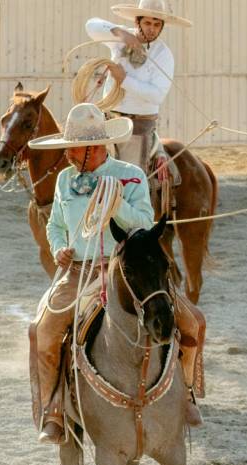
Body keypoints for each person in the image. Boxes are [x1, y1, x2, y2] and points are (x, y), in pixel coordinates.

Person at [26, 103, 204, 444]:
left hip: (126, 268)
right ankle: (54, 410)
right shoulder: (65, 179)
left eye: (76, 148)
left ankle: (186, 394)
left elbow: (144, 224)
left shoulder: (130, 175)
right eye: (69, 148)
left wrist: (114, 200)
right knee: (42, 332)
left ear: (97, 147)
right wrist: (59, 247)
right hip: (79, 270)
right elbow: (56, 224)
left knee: (192, 322)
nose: (70, 155)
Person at [86, 0, 192, 182]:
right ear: (137, 22)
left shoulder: (164, 55)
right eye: (148, 23)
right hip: (107, 118)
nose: (152, 29)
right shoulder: (120, 39)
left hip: (137, 126)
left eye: (157, 24)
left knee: (128, 181)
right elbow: (91, 25)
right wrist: (121, 33)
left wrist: (124, 79)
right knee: (80, 160)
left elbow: (156, 95)